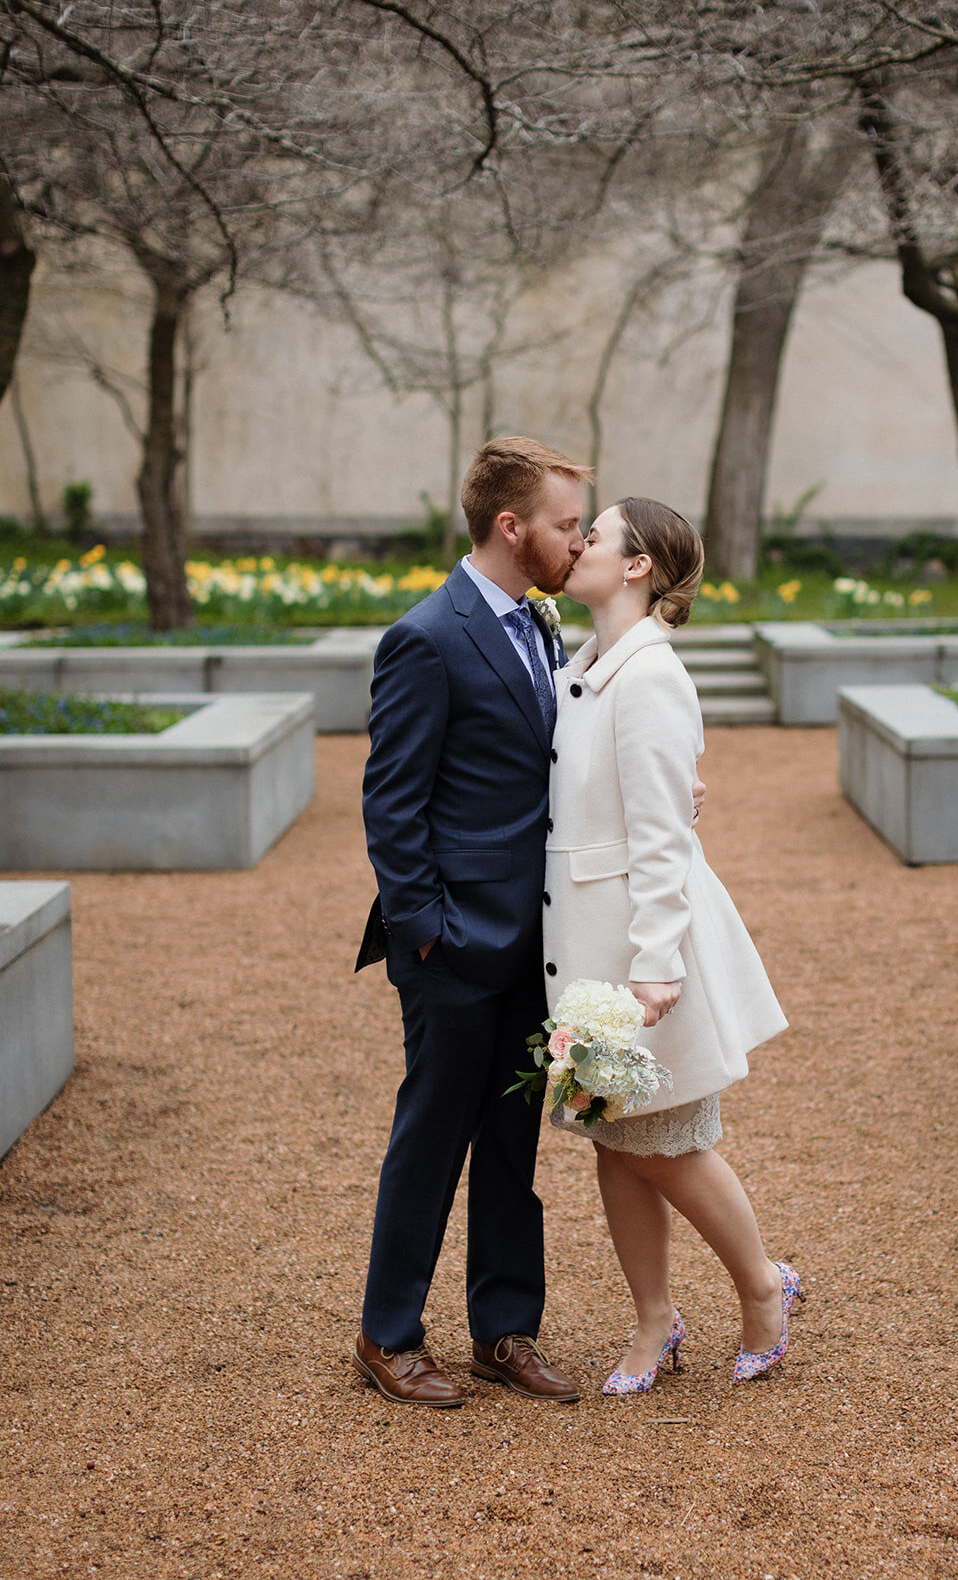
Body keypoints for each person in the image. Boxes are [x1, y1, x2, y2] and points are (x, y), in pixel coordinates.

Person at [542, 496, 803, 1394]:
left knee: (672, 1142)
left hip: (638, 945)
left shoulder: (649, 675)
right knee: (614, 1138)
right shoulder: (583, 662)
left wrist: (656, 961)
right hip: (584, 942)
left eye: (596, 536)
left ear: (638, 565)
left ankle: (763, 1287)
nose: (577, 546)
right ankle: (655, 1322)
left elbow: (659, 838)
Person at [352, 436, 593, 1407]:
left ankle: (503, 1326)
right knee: (430, 1139)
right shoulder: (425, 636)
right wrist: (423, 931)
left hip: (535, 943)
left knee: (510, 1144)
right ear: (510, 525)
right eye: (565, 524)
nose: (575, 541)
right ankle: (386, 1334)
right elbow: (390, 801)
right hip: (451, 947)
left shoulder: (537, 625)